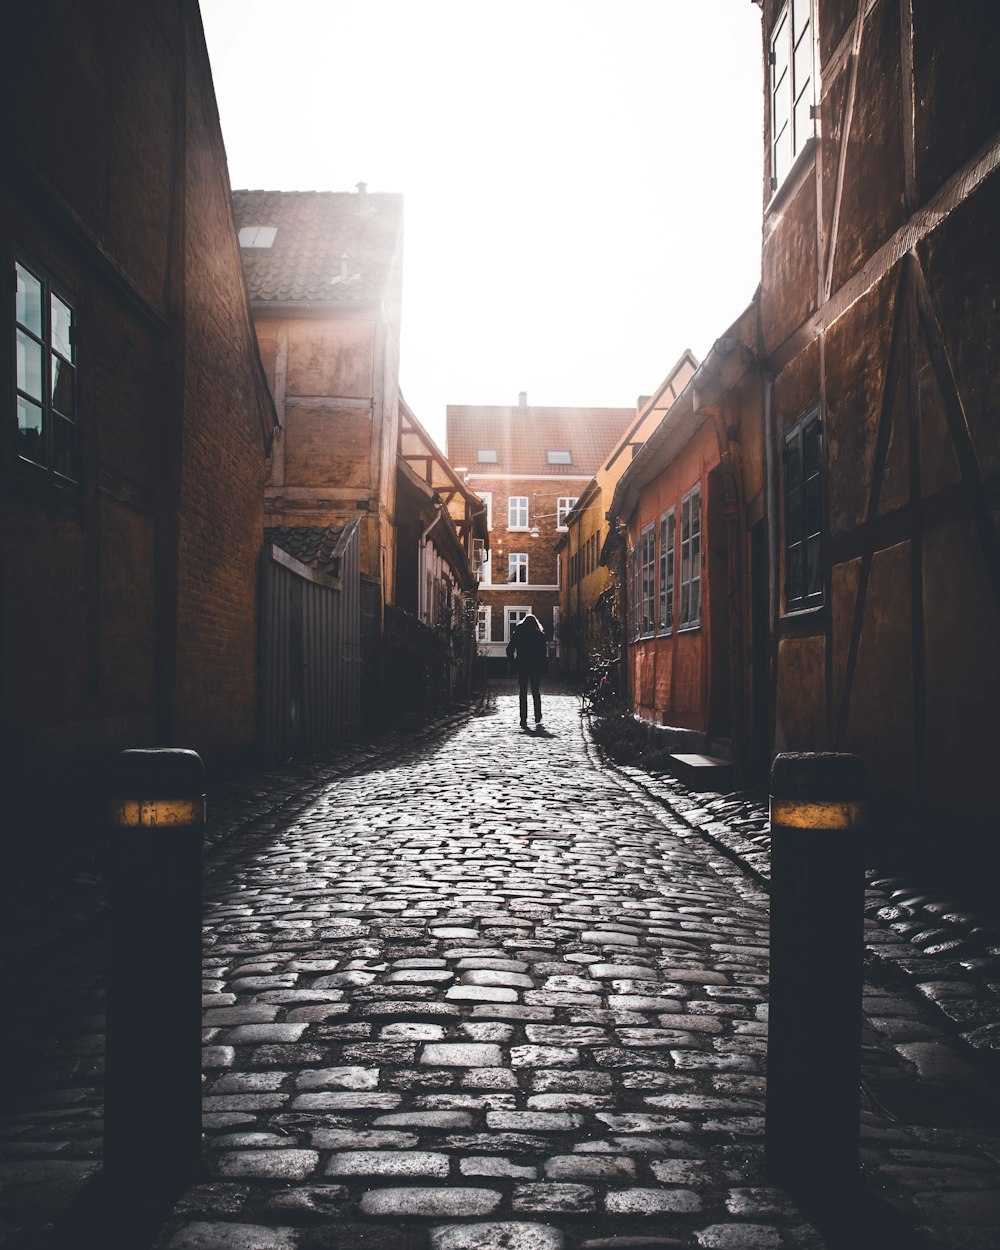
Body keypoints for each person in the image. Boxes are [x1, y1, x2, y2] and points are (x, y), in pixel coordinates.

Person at [506, 613, 548, 730]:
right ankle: (538, 716)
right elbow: (543, 653)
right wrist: (542, 666)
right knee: (535, 691)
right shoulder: (539, 635)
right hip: (535, 666)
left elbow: (509, 649)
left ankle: (523, 718)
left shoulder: (519, 633)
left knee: (523, 692)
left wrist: (513, 661)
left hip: (522, 665)